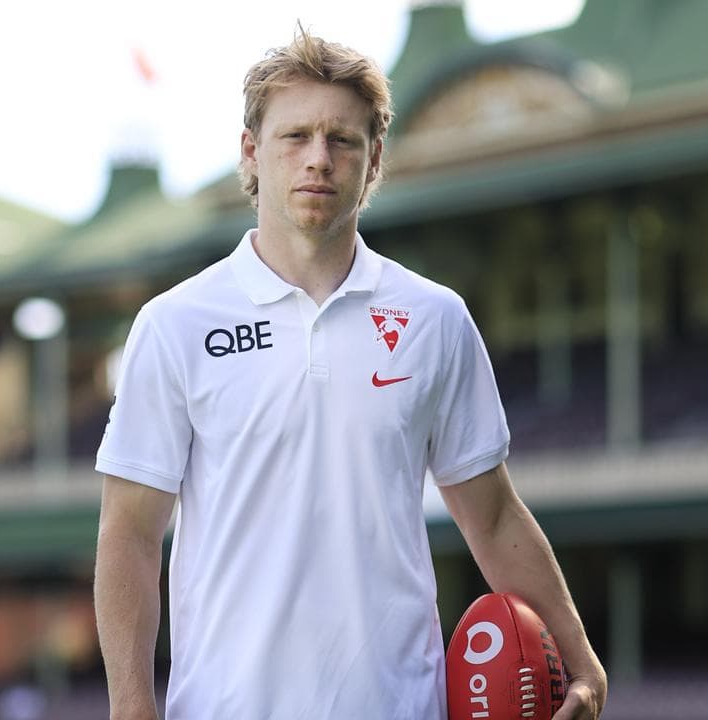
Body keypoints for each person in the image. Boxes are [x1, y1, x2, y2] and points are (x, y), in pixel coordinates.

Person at [94, 27, 606, 720]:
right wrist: (131, 707)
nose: (319, 160)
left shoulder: (435, 318)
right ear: (252, 152)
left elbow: (490, 514)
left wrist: (580, 658)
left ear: (373, 162)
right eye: (295, 136)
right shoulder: (174, 324)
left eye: (343, 140)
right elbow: (129, 534)